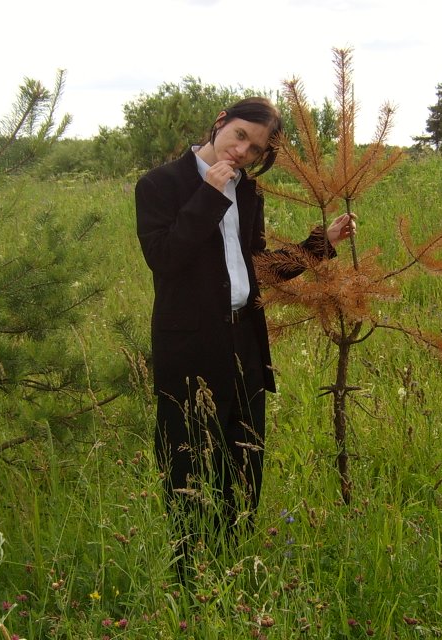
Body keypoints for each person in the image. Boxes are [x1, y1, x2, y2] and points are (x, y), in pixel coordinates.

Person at [135, 97, 354, 578]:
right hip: (189, 347)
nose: (242, 152)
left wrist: (321, 244)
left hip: (245, 342)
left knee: (244, 463)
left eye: (255, 149)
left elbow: (259, 267)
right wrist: (209, 196)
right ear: (220, 122)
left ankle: (232, 566)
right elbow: (164, 259)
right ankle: (189, 576)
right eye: (239, 136)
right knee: (188, 462)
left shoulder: (248, 192)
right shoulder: (159, 185)